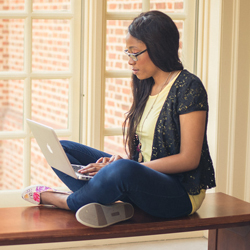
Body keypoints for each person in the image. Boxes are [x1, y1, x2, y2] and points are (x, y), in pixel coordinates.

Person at [22, 10, 216, 228]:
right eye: (127, 53)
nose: (130, 61)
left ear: (158, 47)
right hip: (143, 179)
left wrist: (126, 168)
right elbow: (144, 154)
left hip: (179, 194)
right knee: (63, 149)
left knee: (123, 170)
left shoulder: (188, 86)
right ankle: (105, 200)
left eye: (135, 53)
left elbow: (189, 159)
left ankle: (64, 200)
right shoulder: (146, 84)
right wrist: (121, 164)